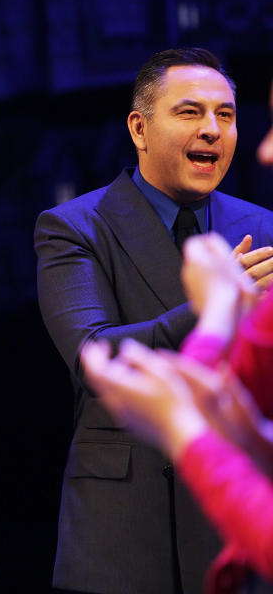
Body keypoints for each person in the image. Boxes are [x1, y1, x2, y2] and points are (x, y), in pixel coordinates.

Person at [35, 48, 273, 593]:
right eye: (190, 113)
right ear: (140, 129)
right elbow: (96, 358)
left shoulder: (262, 227)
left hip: (236, 521)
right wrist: (214, 305)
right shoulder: (74, 226)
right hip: (127, 529)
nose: (212, 130)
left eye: (226, 115)